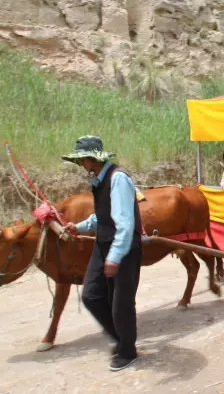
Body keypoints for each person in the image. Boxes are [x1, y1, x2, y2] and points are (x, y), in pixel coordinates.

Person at [61, 136, 142, 372]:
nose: (81, 165)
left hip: (125, 248)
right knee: (91, 296)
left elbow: (125, 224)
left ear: (90, 159)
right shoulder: (99, 180)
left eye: (82, 160)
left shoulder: (118, 179)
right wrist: (80, 226)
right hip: (102, 243)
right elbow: (102, 215)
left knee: (121, 304)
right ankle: (121, 337)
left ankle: (128, 350)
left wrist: (115, 257)